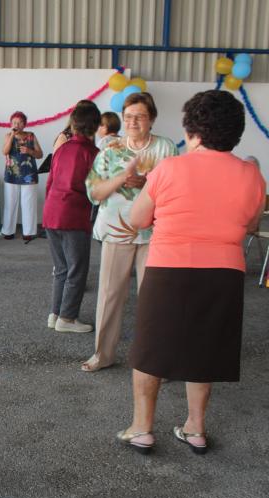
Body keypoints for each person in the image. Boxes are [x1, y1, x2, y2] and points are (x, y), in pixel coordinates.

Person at [117, 90, 266, 455]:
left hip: (169, 268)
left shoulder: (169, 168)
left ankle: (142, 429)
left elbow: (138, 220)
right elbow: (249, 225)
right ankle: (196, 429)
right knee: (205, 349)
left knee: (151, 349)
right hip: (224, 273)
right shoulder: (252, 176)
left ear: (193, 129)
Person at [82, 93, 178, 372]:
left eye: (139, 116)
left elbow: (176, 190)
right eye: (128, 117)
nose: (133, 122)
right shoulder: (110, 149)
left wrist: (147, 182)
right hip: (116, 232)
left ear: (152, 119)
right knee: (110, 296)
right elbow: (93, 192)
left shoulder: (166, 148)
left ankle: (158, 361)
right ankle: (103, 354)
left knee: (156, 299)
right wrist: (122, 178)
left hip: (156, 234)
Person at [43, 101, 101, 334]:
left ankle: (55, 313)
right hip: (74, 215)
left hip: (52, 212)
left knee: (61, 268)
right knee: (77, 269)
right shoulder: (93, 154)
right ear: (94, 127)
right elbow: (97, 190)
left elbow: (50, 182)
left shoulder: (62, 149)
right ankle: (67, 317)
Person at [2, 111, 44, 242]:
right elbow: (5, 151)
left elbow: (40, 154)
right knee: (10, 202)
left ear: (24, 124)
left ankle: (28, 232)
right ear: (11, 124)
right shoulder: (8, 135)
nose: (17, 124)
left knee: (29, 203)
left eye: (20, 122)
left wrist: (30, 151)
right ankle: (8, 231)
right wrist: (12, 136)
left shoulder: (31, 136)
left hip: (29, 174)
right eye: (14, 122)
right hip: (11, 173)